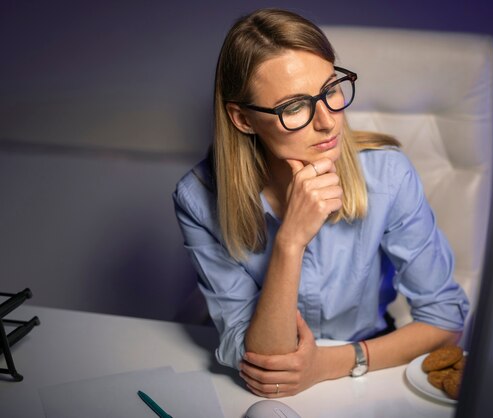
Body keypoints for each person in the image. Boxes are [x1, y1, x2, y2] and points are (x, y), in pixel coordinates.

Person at [173, 8, 469, 398]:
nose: (328, 121)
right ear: (243, 119)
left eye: (331, 89)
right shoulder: (197, 198)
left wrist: (329, 365)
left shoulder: (386, 174)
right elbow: (267, 365)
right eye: (294, 106)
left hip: (370, 370)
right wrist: (290, 241)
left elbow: (446, 321)